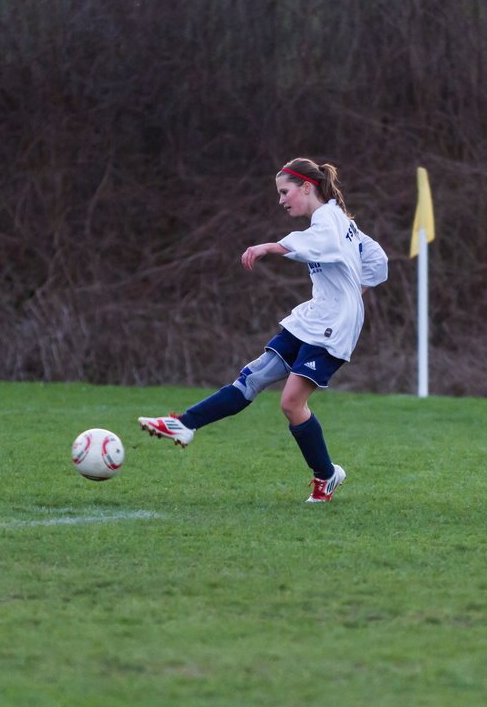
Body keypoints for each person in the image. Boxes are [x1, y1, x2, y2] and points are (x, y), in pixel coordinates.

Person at [139, 158, 388, 503]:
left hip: (334, 327)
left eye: (285, 192)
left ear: (305, 187)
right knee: (252, 378)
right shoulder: (338, 219)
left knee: (290, 403)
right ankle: (186, 424)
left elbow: (325, 243)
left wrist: (270, 247)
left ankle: (326, 476)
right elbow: (377, 259)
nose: (281, 200)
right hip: (313, 317)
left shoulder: (328, 219)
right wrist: (355, 289)